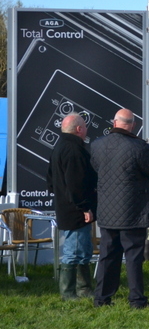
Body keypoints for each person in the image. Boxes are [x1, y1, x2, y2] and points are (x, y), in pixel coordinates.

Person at [91, 109, 149, 308]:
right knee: (133, 257)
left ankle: (101, 299)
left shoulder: (97, 145)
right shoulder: (138, 146)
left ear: (114, 123)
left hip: (107, 211)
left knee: (107, 256)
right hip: (133, 211)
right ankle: (137, 300)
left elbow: (95, 169)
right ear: (132, 125)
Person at [46, 112, 97, 300]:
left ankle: (84, 289)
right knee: (74, 251)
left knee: (83, 250)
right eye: (85, 127)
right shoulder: (74, 150)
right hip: (76, 211)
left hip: (66, 207)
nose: (86, 130)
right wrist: (84, 207)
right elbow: (77, 184)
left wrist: (62, 196)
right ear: (79, 129)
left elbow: (50, 180)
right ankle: (68, 293)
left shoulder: (59, 147)